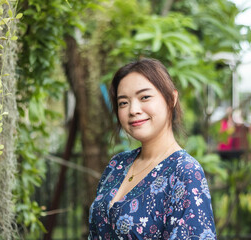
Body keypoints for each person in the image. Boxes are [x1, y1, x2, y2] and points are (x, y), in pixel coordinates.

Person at [88, 58, 217, 239]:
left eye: (144, 97)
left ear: (171, 99)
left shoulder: (184, 171)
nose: (133, 110)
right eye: (123, 102)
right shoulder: (116, 165)